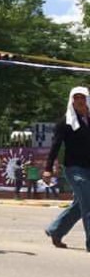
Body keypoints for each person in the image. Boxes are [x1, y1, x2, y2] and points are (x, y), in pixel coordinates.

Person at [43, 86, 90, 252]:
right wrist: (48, 168)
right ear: (71, 100)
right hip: (74, 168)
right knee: (89, 202)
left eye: (82, 97)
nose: (79, 101)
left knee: (81, 205)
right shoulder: (66, 122)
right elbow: (55, 146)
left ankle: (56, 231)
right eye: (76, 97)